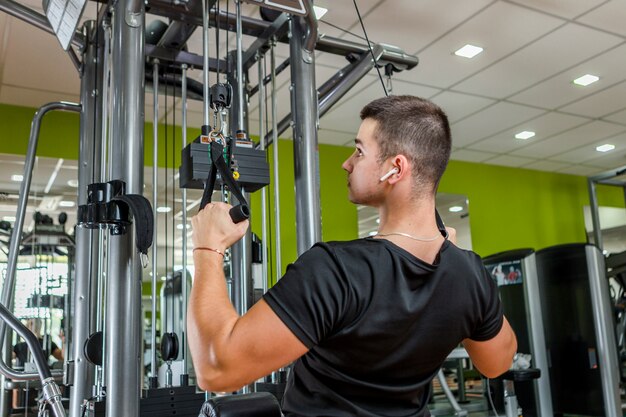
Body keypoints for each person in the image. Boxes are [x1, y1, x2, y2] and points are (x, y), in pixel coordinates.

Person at [188, 95, 517, 416]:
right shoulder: (470, 273)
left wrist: (207, 248)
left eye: (359, 152)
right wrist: (460, 266)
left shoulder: (335, 270)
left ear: (395, 168)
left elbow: (217, 370)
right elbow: (496, 364)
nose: (347, 163)